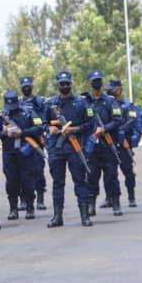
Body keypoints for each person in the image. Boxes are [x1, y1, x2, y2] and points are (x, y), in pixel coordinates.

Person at [44, 71, 94, 227]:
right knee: (58, 183)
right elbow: (41, 123)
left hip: (74, 147)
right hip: (56, 149)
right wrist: (48, 129)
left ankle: (84, 215)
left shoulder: (81, 103)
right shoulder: (50, 104)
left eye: (67, 83)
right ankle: (57, 216)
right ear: (58, 85)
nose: (64, 86)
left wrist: (74, 129)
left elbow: (90, 124)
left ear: (71, 83)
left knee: (80, 181)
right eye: (61, 84)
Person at [0, 90, 45, 220]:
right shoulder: (2, 115)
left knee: (27, 180)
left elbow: (39, 128)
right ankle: (13, 209)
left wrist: (23, 133)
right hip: (9, 153)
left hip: (25, 152)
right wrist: (4, 133)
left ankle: (30, 208)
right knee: (11, 182)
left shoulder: (28, 112)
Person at [81, 70, 123, 217]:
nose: (96, 83)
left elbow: (117, 121)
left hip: (107, 145)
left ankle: (116, 203)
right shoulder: (85, 102)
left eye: (99, 80)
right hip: (92, 146)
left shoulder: (110, 101)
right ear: (90, 83)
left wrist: (104, 129)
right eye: (94, 81)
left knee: (111, 176)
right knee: (91, 177)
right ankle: (91, 205)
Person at [106, 78, 142, 208]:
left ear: (118, 90)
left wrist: (121, 131)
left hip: (124, 143)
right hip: (109, 143)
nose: (109, 92)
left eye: (111, 90)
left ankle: (131, 197)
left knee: (128, 172)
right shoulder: (107, 105)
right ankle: (110, 198)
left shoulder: (128, 106)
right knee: (109, 173)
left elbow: (132, 123)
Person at [19, 76, 49, 209]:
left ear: (32, 86)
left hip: (36, 140)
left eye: (28, 86)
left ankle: (40, 199)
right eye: (24, 86)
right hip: (21, 141)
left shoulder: (39, 102)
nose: (26, 88)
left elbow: (43, 120)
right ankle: (23, 199)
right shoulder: (17, 102)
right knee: (22, 173)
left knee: (38, 171)